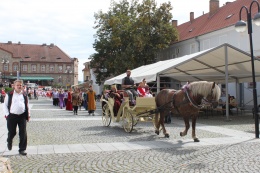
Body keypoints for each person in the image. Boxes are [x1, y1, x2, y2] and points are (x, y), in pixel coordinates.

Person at [3, 80, 30, 156]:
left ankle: (22, 149)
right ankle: (9, 140)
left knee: (23, 133)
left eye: (20, 85)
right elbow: (4, 105)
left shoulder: (24, 94)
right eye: (17, 85)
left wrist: (28, 115)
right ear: (14, 86)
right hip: (12, 116)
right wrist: (7, 115)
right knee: (12, 132)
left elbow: (27, 105)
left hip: (22, 116)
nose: (19, 86)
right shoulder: (10, 94)